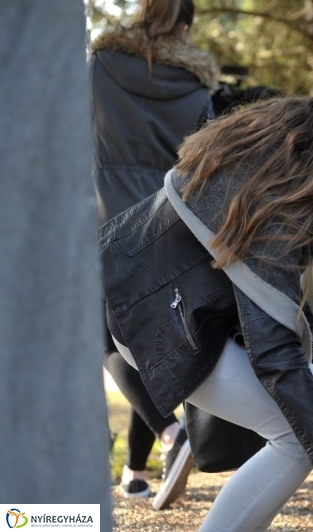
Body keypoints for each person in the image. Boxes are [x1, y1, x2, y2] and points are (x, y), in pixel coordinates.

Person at [98, 77, 313, 531]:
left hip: (165, 301)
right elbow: (275, 349)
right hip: (146, 312)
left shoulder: (289, 155)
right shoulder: (277, 191)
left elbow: (277, 303)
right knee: (299, 436)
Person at [90, 0, 217, 508]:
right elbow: (205, 158)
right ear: (183, 26)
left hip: (103, 216)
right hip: (167, 222)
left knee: (105, 340)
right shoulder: (195, 85)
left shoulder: (100, 65)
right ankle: (136, 471)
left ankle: (170, 433)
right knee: (147, 342)